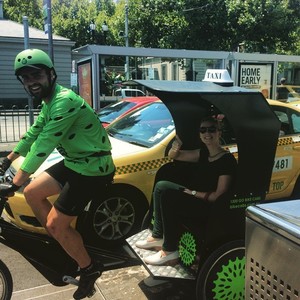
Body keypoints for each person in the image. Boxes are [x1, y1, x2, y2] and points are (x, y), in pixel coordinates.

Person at [0, 49, 115, 299]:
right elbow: (33, 134)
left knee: (53, 220)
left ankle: (89, 268)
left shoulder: (64, 100)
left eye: (36, 75)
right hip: (75, 162)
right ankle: (62, 239)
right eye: (26, 78)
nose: (31, 82)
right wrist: (7, 159)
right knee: (32, 192)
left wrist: (13, 183)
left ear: (51, 74)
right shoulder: (49, 102)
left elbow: (44, 144)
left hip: (93, 168)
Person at [136, 116, 237, 265]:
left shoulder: (226, 160)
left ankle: (169, 251)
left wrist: (194, 193)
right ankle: (158, 236)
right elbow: (175, 156)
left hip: (210, 207)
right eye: (203, 130)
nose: (207, 133)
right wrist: (175, 146)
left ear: (219, 132)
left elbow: (219, 196)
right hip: (194, 196)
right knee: (162, 186)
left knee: (169, 197)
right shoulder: (203, 153)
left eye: (211, 129)